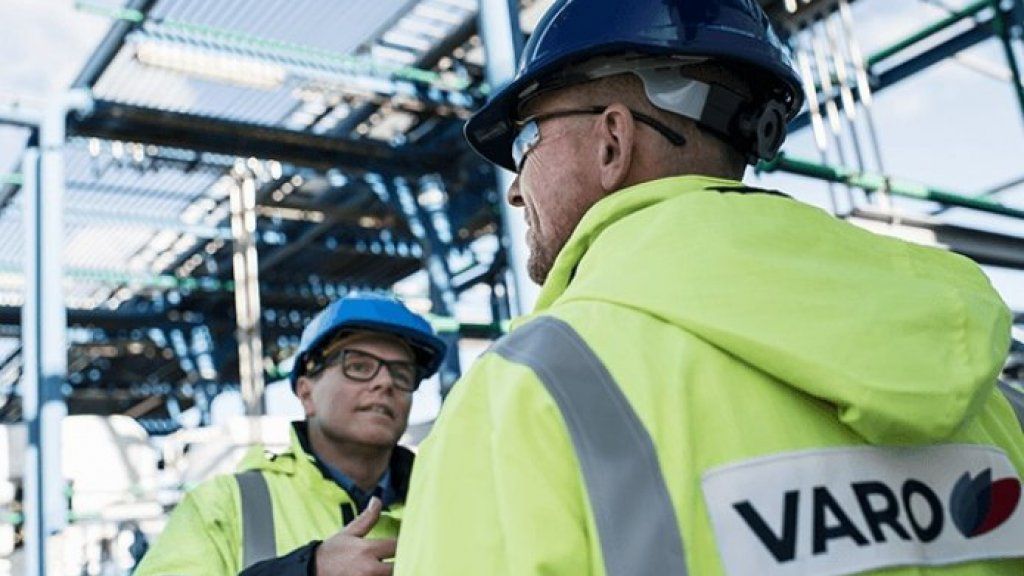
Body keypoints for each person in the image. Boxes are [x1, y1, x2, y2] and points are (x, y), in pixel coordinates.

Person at [395, 1, 1024, 574]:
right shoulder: (986, 390)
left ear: (612, 141)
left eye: (526, 140)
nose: (513, 188)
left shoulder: (523, 398)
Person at [135, 293, 446, 576]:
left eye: (402, 373)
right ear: (306, 393)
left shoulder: (444, 503)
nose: (385, 383)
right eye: (359, 367)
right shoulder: (224, 506)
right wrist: (307, 570)